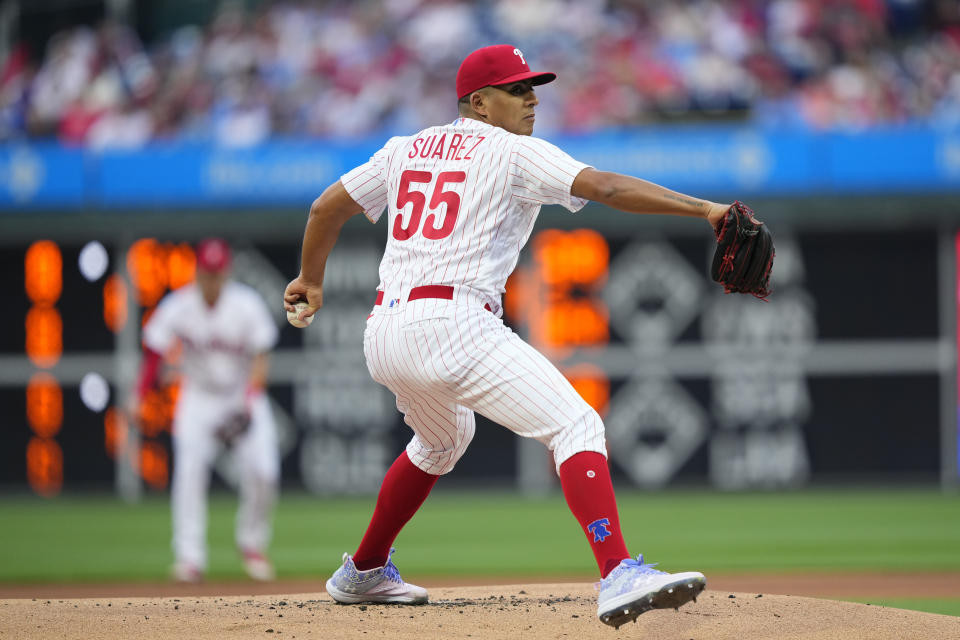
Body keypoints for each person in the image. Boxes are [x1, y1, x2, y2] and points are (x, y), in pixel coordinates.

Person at [283, 45, 728, 627]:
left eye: (531, 87)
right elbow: (609, 190)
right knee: (576, 424)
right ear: (478, 102)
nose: (531, 98)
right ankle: (619, 572)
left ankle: (364, 569)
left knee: (442, 441)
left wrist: (309, 280)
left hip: (385, 332)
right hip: (454, 324)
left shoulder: (403, 149)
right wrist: (706, 211)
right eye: (516, 89)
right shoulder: (513, 153)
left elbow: (324, 208)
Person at [135, 238, 280, 583]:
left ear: (225, 272)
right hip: (198, 397)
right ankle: (190, 557)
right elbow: (154, 348)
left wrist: (248, 404)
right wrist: (140, 393)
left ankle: (252, 543)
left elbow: (261, 357)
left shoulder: (246, 304)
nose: (211, 279)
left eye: (217, 273)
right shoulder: (179, 305)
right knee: (189, 473)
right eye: (206, 272)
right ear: (197, 271)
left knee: (265, 473)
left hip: (240, 395)